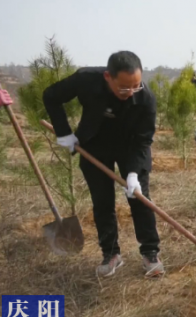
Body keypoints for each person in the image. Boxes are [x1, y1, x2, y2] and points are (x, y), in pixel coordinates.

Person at [42, 51, 164, 278]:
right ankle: (111, 254)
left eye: (135, 86)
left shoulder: (146, 98)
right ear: (108, 77)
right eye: (124, 88)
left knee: (139, 198)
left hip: (130, 147)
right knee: (102, 200)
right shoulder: (85, 80)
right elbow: (51, 96)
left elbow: (143, 139)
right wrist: (64, 133)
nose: (130, 93)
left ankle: (150, 253)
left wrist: (134, 174)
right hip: (95, 145)